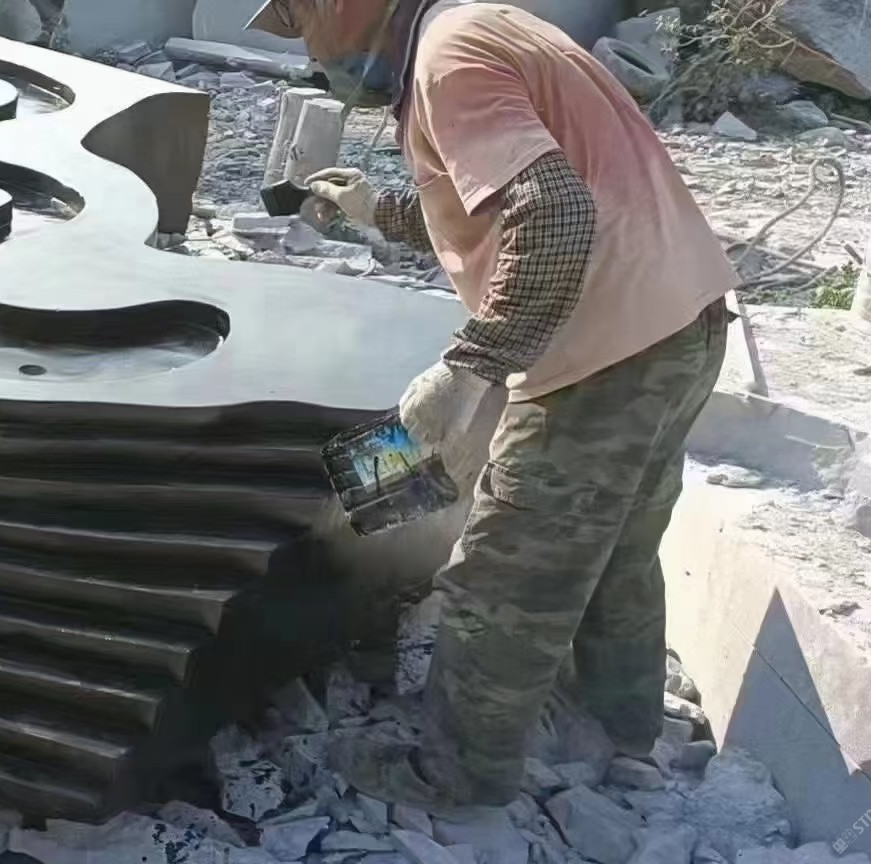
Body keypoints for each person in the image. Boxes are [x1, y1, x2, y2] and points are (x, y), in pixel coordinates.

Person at [248, 0, 737, 812]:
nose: (312, 57)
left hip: (600, 350)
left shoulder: (447, 58)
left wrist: (473, 363)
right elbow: (493, 207)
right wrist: (378, 210)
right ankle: (619, 728)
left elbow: (555, 213)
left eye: (304, 25)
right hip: (681, 322)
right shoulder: (481, 26)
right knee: (616, 546)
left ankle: (458, 773)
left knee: (503, 574)